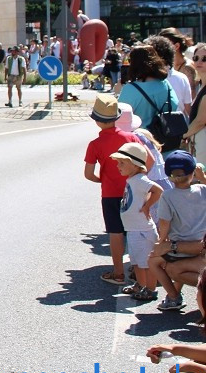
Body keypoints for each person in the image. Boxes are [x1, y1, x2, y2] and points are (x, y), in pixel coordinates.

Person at [83, 94, 137, 285]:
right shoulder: (131, 138)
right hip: (134, 191)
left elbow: (88, 174)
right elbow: (147, 162)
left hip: (110, 193)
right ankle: (141, 271)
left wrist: (102, 179)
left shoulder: (95, 145)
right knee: (137, 230)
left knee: (115, 232)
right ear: (116, 118)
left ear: (97, 121)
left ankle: (118, 272)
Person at [148, 151, 206, 312]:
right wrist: (201, 177)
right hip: (200, 242)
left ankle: (174, 297)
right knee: (178, 263)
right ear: (193, 171)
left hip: (179, 244)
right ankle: (176, 295)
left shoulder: (168, 196)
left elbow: (165, 223)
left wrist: (161, 241)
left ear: (169, 175)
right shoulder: (202, 189)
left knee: (153, 261)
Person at [112, 142, 162, 301]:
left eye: (122, 163)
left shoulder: (140, 179)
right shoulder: (132, 179)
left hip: (142, 230)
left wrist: (147, 206)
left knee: (146, 262)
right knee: (136, 261)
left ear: (134, 164)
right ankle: (141, 285)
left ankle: (151, 289)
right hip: (133, 229)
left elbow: (157, 190)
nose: (118, 166)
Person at [121, 44, 180, 133]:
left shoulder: (130, 89)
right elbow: (174, 104)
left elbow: (121, 117)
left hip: (139, 138)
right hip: (165, 135)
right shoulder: (165, 84)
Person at [145, 35, 192, 117]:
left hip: (149, 128)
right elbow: (188, 109)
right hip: (177, 126)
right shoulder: (182, 78)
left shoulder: (143, 81)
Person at [183, 43, 206, 156]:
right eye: (196, 58)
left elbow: (200, 121)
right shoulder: (201, 84)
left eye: (204, 58)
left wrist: (183, 136)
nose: (199, 62)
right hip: (198, 140)